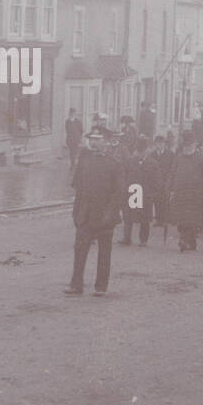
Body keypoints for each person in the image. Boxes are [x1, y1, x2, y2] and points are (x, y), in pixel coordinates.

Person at [66, 126, 123, 297]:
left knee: (104, 253)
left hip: (105, 216)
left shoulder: (114, 164)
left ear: (106, 141)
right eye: (91, 139)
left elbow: (119, 192)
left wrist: (110, 213)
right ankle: (76, 284)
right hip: (85, 214)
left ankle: (101, 286)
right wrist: (76, 211)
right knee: (80, 249)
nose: (93, 142)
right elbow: (77, 186)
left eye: (97, 139)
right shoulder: (84, 161)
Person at [167, 132, 203, 252]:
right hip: (180, 195)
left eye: (190, 145)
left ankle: (184, 241)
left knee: (192, 221)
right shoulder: (179, 158)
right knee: (182, 220)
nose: (187, 147)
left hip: (195, 196)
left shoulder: (202, 159)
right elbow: (172, 173)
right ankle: (190, 242)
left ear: (195, 145)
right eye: (185, 145)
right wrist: (169, 188)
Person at [120, 139, 154, 247]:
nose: (140, 154)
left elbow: (156, 180)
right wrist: (124, 188)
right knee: (128, 215)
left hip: (145, 193)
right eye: (138, 151)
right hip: (132, 191)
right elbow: (123, 175)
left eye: (142, 151)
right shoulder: (129, 161)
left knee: (145, 217)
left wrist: (153, 192)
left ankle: (143, 239)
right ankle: (127, 237)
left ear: (146, 151)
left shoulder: (152, 163)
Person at [147, 135, 175, 227]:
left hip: (166, 180)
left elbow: (172, 168)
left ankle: (165, 219)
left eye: (161, 143)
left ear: (164, 144)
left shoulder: (170, 154)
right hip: (155, 181)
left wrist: (170, 180)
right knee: (157, 200)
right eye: (158, 143)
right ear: (155, 144)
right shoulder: (152, 154)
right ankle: (159, 219)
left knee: (165, 200)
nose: (160, 145)